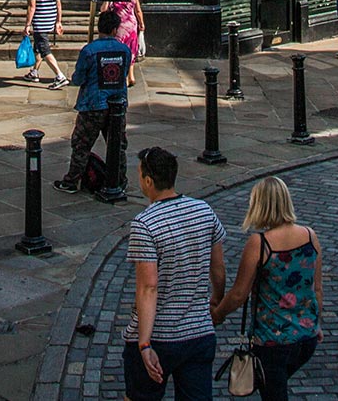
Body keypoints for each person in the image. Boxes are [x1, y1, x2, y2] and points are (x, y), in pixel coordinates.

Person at [122, 147, 225, 401]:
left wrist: (144, 344)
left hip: (159, 336)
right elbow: (219, 269)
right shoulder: (204, 210)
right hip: (199, 334)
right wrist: (215, 301)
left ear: (148, 181)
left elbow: (148, 288)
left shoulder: (145, 224)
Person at [211, 177, 321, 401]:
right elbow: (317, 289)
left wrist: (217, 313)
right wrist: (317, 323)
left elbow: (240, 294)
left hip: (272, 342)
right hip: (306, 338)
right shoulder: (310, 236)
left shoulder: (260, 243)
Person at [54, 8, 134, 197]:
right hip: (116, 104)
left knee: (81, 144)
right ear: (115, 29)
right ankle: (119, 179)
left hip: (93, 105)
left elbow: (78, 78)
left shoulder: (89, 50)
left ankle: (72, 180)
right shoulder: (124, 50)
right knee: (117, 144)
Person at [22, 0, 67, 88]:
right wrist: (59, 21)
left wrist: (27, 25)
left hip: (40, 22)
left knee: (44, 49)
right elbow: (58, 4)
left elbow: (32, 6)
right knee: (38, 47)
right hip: (50, 20)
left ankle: (60, 76)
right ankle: (34, 72)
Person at [111, 0, 146, 86]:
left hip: (119, 27)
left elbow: (103, 9)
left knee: (119, 51)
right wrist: (141, 23)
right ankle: (131, 76)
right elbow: (138, 11)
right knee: (131, 51)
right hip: (132, 26)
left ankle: (124, 77)